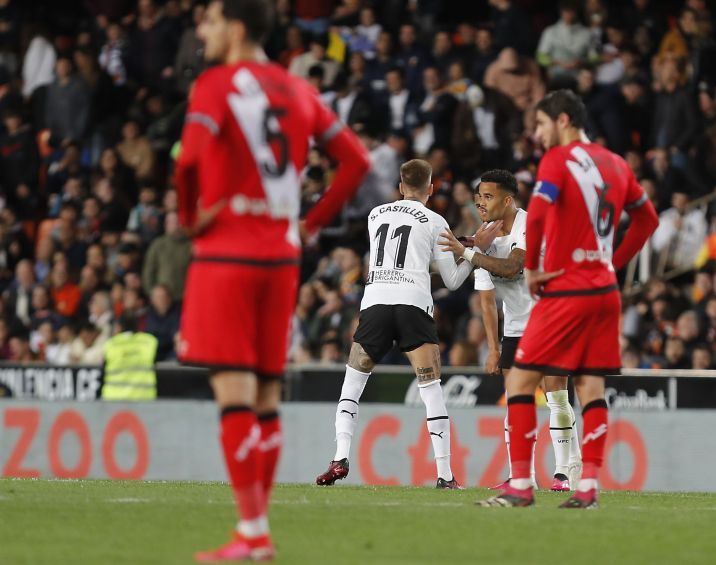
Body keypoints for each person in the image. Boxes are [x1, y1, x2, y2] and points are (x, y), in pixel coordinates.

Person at [174, 1, 369, 561]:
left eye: (209, 20)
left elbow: (187, 162)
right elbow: (353, 160)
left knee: (234, 393)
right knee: (264, 394)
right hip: (280, 259)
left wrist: (191, 219)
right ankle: (256, 531)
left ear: (235, 29)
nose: (201, 30)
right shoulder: (296, 89)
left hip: (227, 255)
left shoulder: (216, 85)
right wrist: (308, 226)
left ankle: (253, 532)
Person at [477, 90, 658, 509]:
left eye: (540, 124)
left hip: (567, 288)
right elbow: (648, 219)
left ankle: (521, 485)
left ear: (562, 120)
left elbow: (537, 213)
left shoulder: (558, 160)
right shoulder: (616, 163)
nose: (537, 134)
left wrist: (536, 269)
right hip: (604, 291)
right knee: (592, 386)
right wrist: (613, 264)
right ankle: (588, 485)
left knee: (520, 381)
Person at [315, 159, 491, 490]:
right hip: (412, 305)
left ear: (399, 187)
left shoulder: (375, 215)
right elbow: (451, 280)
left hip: (376, 303)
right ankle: (444, 475)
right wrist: (472, 252)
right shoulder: (436, 220)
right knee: (431, 389)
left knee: (352, 387)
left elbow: (402, 255)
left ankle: (339, 458)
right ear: (431, 189)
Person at [439, 169, 582, 491]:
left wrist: (471, 252)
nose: (481, 204)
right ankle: (522, 476)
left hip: (551, 317)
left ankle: (562, 472)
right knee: (516, 399)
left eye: (488, 197)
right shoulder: (485, 237)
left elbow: (513, 267)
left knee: (555, 394)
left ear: (507, 199)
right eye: (479, 198)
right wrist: (492, 347)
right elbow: (487, 300)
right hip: (517, 324)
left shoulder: (529, 225)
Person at [101, 316, 158, 401]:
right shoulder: (149, 341)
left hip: (113, 398)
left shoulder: (110, 344)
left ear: (119, 327)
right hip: (144, 398)